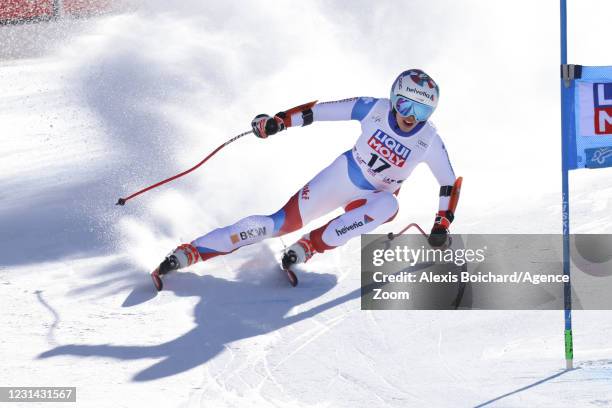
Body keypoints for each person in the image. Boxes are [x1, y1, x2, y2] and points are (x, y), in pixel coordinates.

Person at [152, 69, 457, 288]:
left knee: (389, 206)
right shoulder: (373, 108)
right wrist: (279, 122)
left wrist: (442, 222)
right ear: (394, 100)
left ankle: (310, 246)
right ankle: (193, 251)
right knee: (278, 224)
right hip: (343, 176)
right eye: (406, 105)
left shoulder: (429, 139)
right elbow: (319, 112)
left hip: (375, 197)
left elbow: (448, 181)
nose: (411, 117)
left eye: (422, 110)